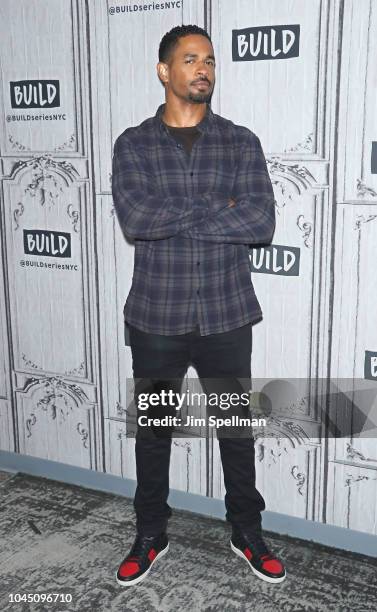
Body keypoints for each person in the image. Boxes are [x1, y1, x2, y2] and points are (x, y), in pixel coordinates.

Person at [111, 24, 286, 587]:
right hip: (155, 318)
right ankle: (149, 533)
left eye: (209, 60)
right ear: (165, 72)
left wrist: (181, 214)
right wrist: (218, 205)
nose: (204, 68)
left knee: (236, 429)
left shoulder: (241, 142)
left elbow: (259, 222)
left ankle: (246, 531)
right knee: (155, 431)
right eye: (191, 59)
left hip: (226, 314)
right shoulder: (132, 144)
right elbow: (138, 221)